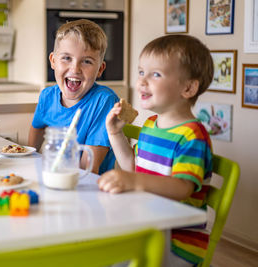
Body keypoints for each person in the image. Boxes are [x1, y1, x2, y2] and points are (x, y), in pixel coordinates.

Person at [98, 35, 214, 266]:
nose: (142, 82)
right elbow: (133, 166)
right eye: (141, 72)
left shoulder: (192, 135)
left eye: (156, 74)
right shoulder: (151, 124)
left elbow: (182, 187)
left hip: (175, 241)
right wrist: (115, 133)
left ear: (188, 87)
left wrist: (134, 182)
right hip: (146, 223)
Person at [28, 19, 119, 174]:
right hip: (54, 177)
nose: (75, 69)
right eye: (67, 58)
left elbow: (88, 169)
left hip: (88, 188)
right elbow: (36, 130)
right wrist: (30, 161)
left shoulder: (104, 101)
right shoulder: (47, 96)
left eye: (87, 61)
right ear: (53, 61)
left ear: (100, 69)